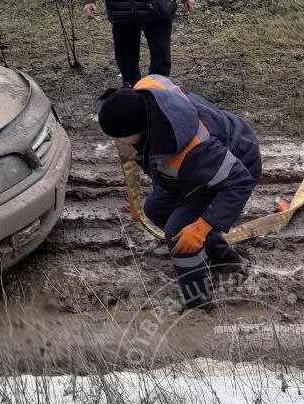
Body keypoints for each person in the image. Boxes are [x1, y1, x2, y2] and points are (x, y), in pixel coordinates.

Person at [97, 76, 262, 312]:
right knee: (155, 209)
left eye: (118, 136)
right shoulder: (147, 91)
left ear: (139, 129)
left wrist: (201, 227)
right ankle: (222, 257)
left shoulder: (196, 152)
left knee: (179, 234)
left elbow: (239, 182)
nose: (114, 140)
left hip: (235, 166)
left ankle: (199, 306)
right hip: (204, 168)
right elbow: (156, 159)